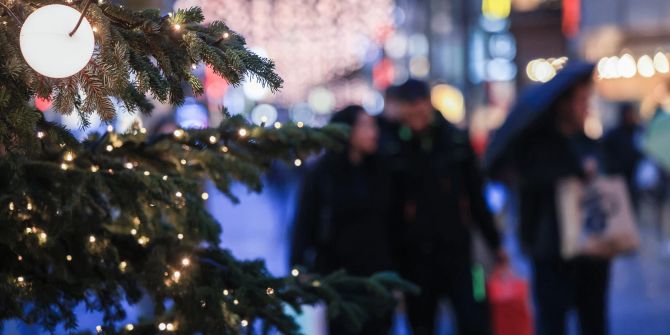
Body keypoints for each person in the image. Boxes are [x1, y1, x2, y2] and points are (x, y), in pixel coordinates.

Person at [383, 79, 506, 335]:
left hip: (459, 253)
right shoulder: (393, 144)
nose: (417, 114)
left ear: (428, 103)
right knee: (421, 323)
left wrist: (495, 243)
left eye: (420, 105)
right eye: (410, 107)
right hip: (414, 257)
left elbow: (476, 197)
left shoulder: (455, 141)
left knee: (474, 319)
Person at [512, 75, 610, 335]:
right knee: (552, 321)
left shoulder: (589, 143)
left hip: (591, 249)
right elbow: (532, 188)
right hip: (551, 250)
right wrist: (578, 171)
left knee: (594, 320)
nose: (586, 107)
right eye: (581, 101)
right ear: (564, 105)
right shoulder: (537, 148)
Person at [290, 105, 394, 334]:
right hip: (337, 276)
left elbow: (393, 223)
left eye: (373, 125)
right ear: (348, 131)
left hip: (378, 276)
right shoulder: (322, 173)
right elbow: (304, 223)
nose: (373, 132)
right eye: (365, 126)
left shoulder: (382, 170)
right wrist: (298, 267)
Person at [602, 103, 643, 206]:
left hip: (635, 174)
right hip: (619, 176)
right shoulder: (614, 134)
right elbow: (605, 152)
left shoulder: (638, 131)